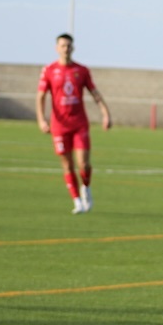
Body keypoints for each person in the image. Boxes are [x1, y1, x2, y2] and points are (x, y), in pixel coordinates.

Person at [36, 33, 112, 214]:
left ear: (73, 48)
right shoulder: (49, 70)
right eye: (63, 45)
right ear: (57, 48)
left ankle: (86, 187)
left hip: (79, 124)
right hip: (59, 126)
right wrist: (41, 119)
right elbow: (41, 96)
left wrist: (105, 113)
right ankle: (77, 201)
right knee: (67, 164)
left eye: (69, 45)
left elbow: (94, 93)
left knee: (83, 163)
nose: (66, 49)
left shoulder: (81, 70)